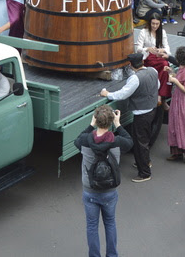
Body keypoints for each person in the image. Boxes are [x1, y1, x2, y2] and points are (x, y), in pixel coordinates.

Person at [74, 105, 132, 257]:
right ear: (110, 121)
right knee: (110, 223)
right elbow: (129, 141)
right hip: (109, 191)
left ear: (96, 119)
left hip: (90, 190)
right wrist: (118, 124)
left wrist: (90, 124)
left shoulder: (86, 140)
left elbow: (76, 140)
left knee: (92, 226)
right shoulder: (117, 141)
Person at [100, 53, 159, 183]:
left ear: (131, 65)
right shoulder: (153, 71)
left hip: (141, 113)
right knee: (145, 139)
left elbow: (123, 94)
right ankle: (146, 162)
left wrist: (107, 94)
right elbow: (157, 86)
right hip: (152, 109)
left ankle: (144, 173)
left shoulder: (135, 79)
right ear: (142, 61)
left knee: (140, 143)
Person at [167, 46, 185, 163]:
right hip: (178, 99)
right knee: (175, 125)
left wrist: (174, 81)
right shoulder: (182, 68)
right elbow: (180, 80)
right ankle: (177, 152)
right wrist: (171, 73)